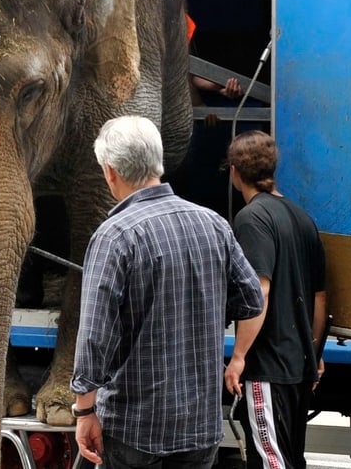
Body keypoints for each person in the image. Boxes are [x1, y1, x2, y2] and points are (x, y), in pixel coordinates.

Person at [71, 115, 264, 468]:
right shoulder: (213, 224)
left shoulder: (114, 235)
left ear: (110, 171)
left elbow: (94, 338)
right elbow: (252, 299)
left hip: (134, 429)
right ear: (157, 161)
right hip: (199, 428)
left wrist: (84, 410)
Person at [223, 130, 328, 469]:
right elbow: (320, 297)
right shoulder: (302, 218)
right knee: (291, 459)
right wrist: (314, 352)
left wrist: (238, 356)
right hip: (299, 367)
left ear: (236, 172)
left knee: (272, 461)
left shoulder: (251, 219)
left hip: (268, 367)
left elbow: (260, 290)